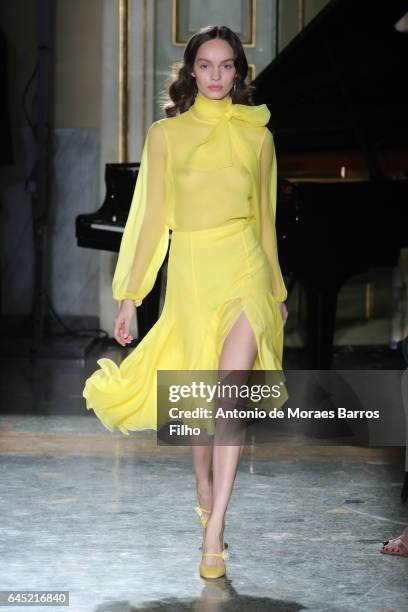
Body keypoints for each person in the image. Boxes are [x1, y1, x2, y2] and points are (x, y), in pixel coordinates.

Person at [83, 24, 288, 579]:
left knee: (228, 398)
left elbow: (266, 221)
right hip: (194, 275)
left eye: (227, 66)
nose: (217, 76)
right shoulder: (165, 136)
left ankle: (215, 529)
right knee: (198, 409)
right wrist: (130, 297)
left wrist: (276, 289)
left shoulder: (258, 136)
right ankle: (202, 484)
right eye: (206, 65)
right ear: (190, 72)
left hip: (245, 268)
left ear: (239, 72)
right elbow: (150, 220)